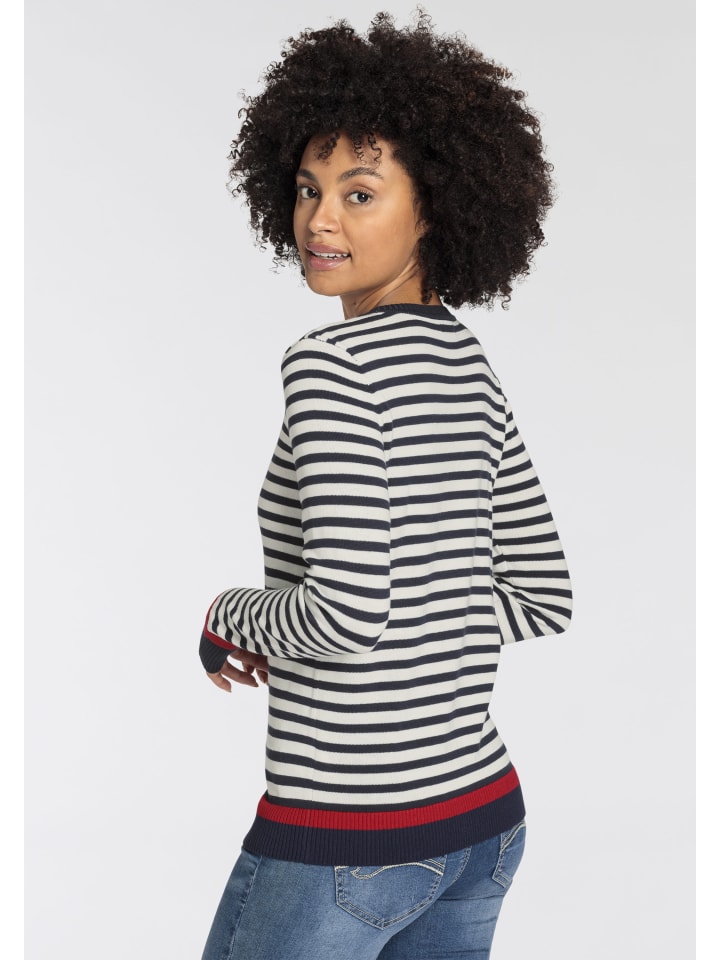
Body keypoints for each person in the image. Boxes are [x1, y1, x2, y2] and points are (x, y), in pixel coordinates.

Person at [198, 11, 572, 959]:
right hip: (481, 821)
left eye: (359, 193)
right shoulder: (466, 362)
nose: (319, 220)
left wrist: (231, 615)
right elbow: (542, 593)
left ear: (434, 208)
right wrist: (425, 636)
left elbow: (347, 614)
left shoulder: (329, 367)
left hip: (347, 838)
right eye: (308, 188)